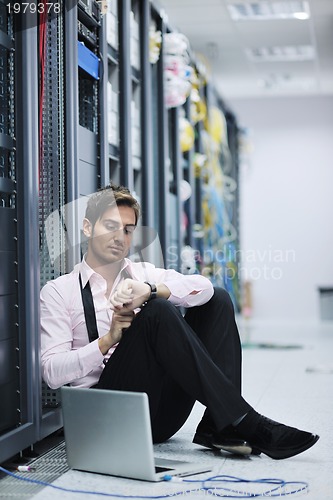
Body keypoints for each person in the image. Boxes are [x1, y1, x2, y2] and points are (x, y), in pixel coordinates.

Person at [40, 184, 319, 459]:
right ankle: (245, 420)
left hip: (161, 417)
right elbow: (51, 373)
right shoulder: (59, 291)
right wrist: (109, 339)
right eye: (110, 226)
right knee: (158, 312)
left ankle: (219, 426)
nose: (119, 237)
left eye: (128, 230)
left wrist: (149, 290)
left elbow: (205, 288)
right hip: (108, 416)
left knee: (217, 300)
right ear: (87, 228)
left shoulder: (141, 273)